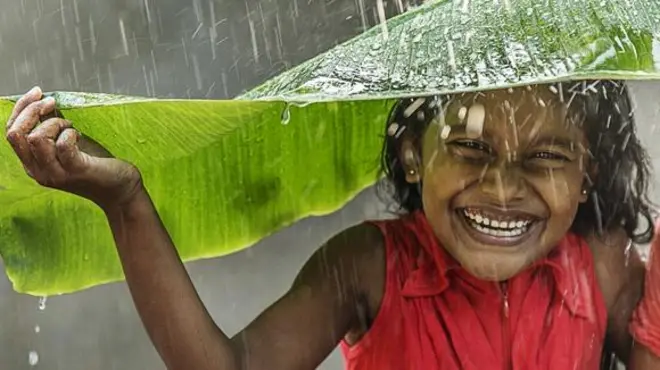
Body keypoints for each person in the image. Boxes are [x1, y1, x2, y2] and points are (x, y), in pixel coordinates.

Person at [5, 80, 660, 370]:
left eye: (546, 158)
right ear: (412, 152)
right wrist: (127, 203)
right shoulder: (369, 268)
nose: (503, 188)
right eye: (470, 148)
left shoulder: (609, 271)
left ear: (589, 173)